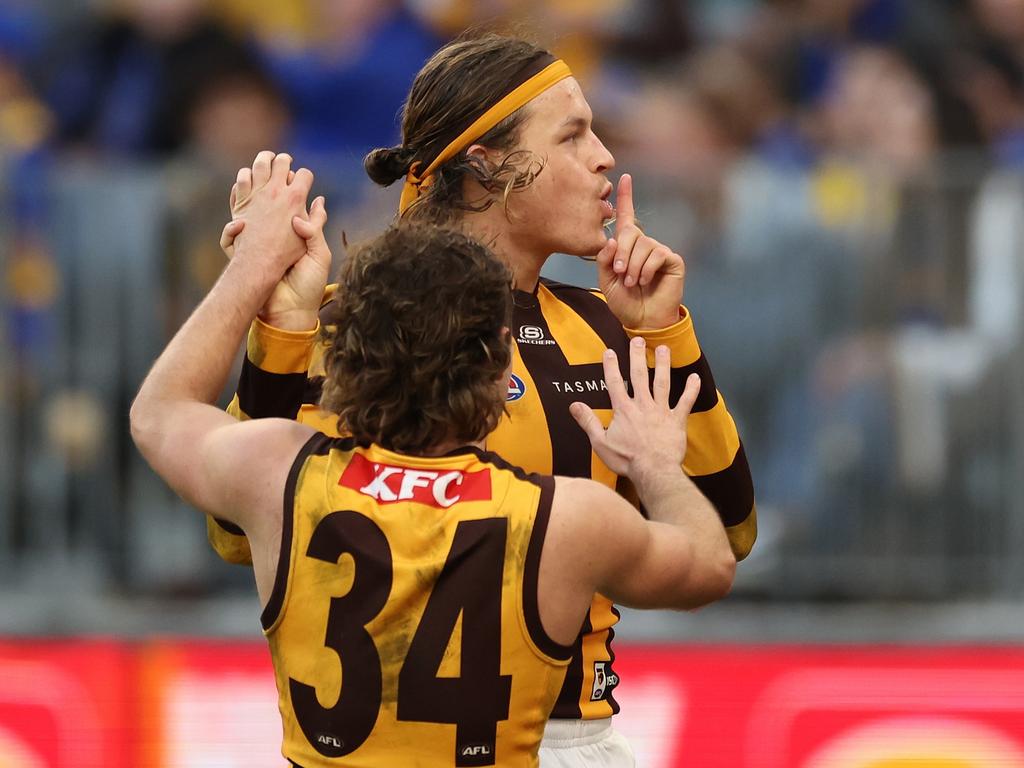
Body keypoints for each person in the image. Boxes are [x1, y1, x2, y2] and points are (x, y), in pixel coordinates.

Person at [214, 33, 756, 763]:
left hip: (576, 736)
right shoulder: (358, 322)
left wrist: (665, 335)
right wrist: (279, 332)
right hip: (391, 747)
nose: (604, 157)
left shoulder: (610, 322)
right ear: (484, 166)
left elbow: (728, 533)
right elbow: (235, 534)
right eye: (572, 135)